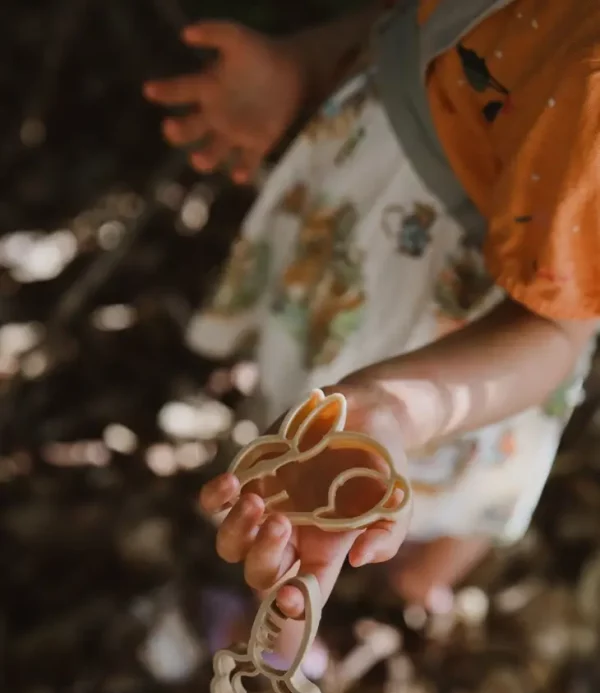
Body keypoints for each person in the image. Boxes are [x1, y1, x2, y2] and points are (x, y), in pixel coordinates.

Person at [144, 0, 599, 619]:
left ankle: (417, 585)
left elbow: (556, 324)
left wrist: (394, 405)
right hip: (361, 210)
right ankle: (395, 584)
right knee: (311, 447)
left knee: (382, 477)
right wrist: (305, 64)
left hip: (463, 340)